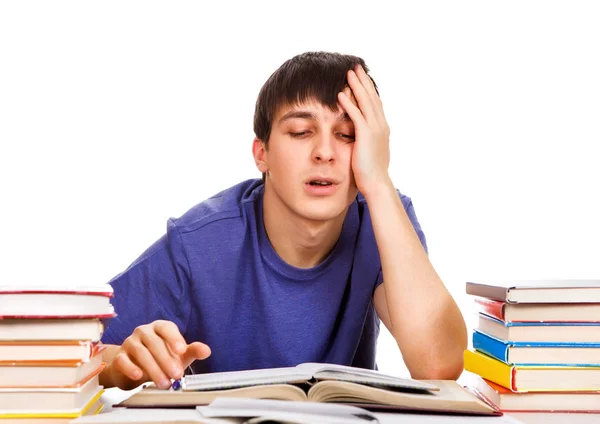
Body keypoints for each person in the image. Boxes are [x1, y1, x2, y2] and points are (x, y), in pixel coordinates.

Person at [99, 51, 467, 390]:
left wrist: (379, 182)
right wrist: (121, 365)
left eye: (347, 135)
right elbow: (75, 354)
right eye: (301, 132)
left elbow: (437, 365)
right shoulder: (198, 242)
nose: (324, 152)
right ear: (262, 153)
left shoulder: (384, 219)